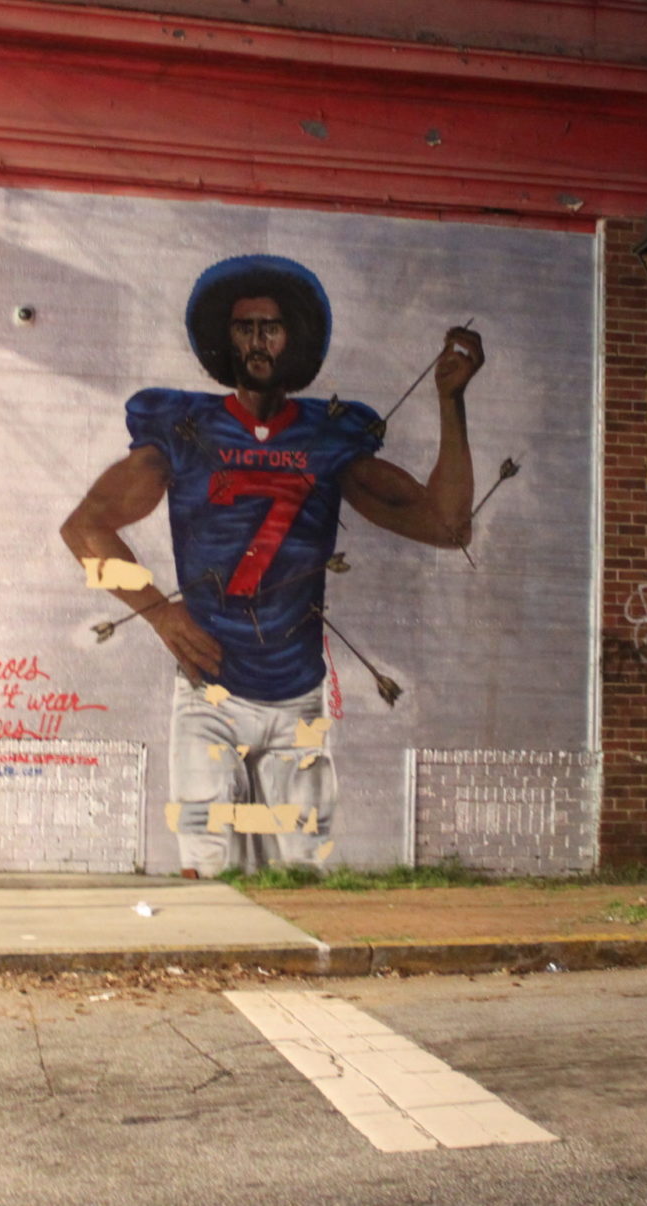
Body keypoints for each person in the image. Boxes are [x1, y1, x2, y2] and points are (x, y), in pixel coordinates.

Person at [61, 254, 484, 876]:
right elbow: (83, 528)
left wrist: (452, 402)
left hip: (297, 701)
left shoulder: (327, 437)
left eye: (271, 327)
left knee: (304, 876)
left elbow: (447, 527)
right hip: (210, 694)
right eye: (245, 327)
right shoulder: (186, 428)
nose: (258, 341)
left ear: (295, 340)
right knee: (206, 873)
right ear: (223, 339)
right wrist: (157, 612)